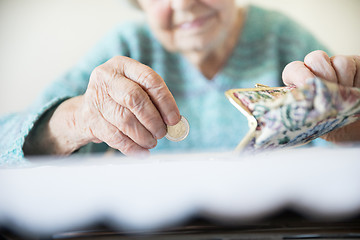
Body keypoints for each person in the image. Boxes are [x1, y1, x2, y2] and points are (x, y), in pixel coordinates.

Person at [0, 0, 359, 165]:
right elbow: (7, 147)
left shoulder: (282, 37)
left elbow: (340, 153)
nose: (185, 4)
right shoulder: (126, 47)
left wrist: (350, 127)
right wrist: (76, 120)